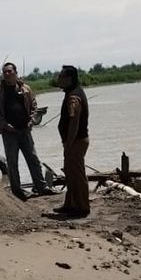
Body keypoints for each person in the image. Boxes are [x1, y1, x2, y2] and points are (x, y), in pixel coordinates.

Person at [0, 62, 54, 201]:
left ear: (15, 72)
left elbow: (34, 106)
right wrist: (5, 125)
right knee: (12, 162)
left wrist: (32, 120)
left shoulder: (25, 89)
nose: (7, 74)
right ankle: (17, 191)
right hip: (9, 132)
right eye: (4, 72)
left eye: (9, 71)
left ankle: (42, 187)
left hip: (25, 130)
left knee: (33, 159)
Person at [53, 65, 90, 218]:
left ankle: (82, 207)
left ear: (69, 79)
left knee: (77, 175)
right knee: (71, 173)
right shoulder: (72, 93)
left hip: (76, 141)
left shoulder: (74, 97)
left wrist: (69, 144)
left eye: (61, 77)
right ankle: (70, 204)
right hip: (73, 141)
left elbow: (74, 122)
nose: (58, 79)